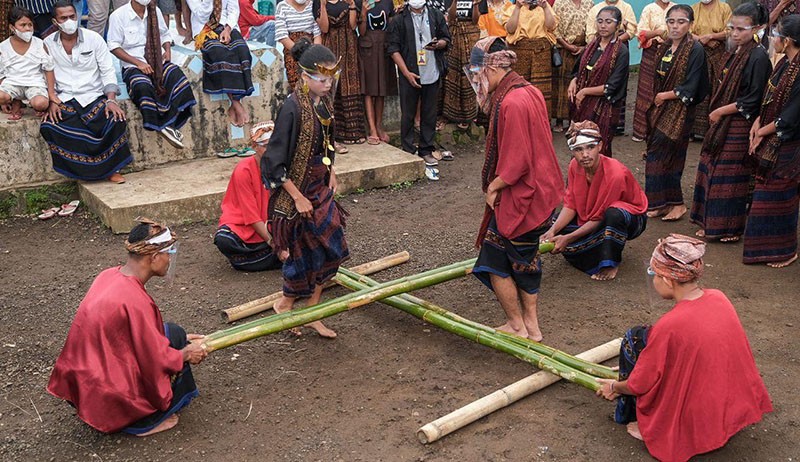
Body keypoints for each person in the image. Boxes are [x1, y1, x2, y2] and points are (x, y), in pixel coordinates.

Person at [595, 234, 772, 462]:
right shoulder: (719, 297)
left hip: (696, 411)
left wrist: (615, 386)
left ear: (667, 279)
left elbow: (641, 383)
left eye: (654, 274)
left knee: (634, 338)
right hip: (728, 400)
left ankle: (642, 421)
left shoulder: (670, 325)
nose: (653, 281)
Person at [47, 218, 209, 436]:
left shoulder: (108, 275)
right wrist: (186, 353)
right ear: (153, 257)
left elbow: (128, 334)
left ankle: (110, 407)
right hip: (108, 392)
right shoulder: (135, 299)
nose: (170, 260)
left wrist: (167, 338)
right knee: (177, 340)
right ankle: (143, 421)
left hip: (83, 381)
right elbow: (156, 359)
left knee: (174, 333)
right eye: (167, 254)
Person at [467, 37, 564, 342]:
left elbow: (517, 161)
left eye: (476, 73)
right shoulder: (529, 90)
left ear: (489, 70)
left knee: (494, 260)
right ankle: (530, 326)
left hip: (523, 196)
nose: (476, 81)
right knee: (526, 260)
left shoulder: (510, 101)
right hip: (542, 190)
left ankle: (519, 325)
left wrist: (494, 186)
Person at [262, 40, 349, 338]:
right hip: (296, 191)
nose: (327, 84)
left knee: (333, 245)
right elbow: (273, 162)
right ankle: (285, 303)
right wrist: (297, 198)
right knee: (303, 252)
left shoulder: (323, 103)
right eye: (322, 79)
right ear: (305, 76)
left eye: (330, 79)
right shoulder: (291, 108)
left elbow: (327, 142)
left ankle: (312, 310)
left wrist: (332, 170)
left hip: (320, 185)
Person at [691, 3, 771, 243]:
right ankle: (710, 222)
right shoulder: (736, 51)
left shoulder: (757, 56)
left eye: (741, 29)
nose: (735, 33)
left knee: (729, 176)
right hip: (723, 121)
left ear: (758, 28)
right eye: (731, 28)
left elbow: (752, 99)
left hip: (738, 124)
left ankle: (729, 228)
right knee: (710, 168)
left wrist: (720, 111)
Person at [541, 121, 647, 281]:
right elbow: (570, 205)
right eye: (578, 149)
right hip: (593, 215)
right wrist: (553, 231)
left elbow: (599, 217)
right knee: (553, 221)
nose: (584, 155)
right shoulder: (574, 166)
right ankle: (592, 249)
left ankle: (611, 262)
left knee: (613, 214)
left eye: (590, 147)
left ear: (600, 146)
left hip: (627, 219)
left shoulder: (615, 173)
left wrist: (569, 238)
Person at [40, 0, 131, 183]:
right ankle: (80, 173)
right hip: (64, 99)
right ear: (54, 22)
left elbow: (107, 70)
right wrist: (51, 100)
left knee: (115, 119)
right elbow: (42, 75)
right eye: (63, 18)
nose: (69, 21)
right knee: (50, 126)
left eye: (72, 16)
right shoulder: (46, 44)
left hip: (93, 96)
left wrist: (111, 99)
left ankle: (112, 170)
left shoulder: (94, 38)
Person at [644, 4, 709, 221]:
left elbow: (692, 86)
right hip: (661, 110)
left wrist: (666, 96)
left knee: (667, 155)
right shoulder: (664, 48)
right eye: (671, 21)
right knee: (660, 156)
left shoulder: (695, 49)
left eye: (681, 22)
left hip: (680, 111)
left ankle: (677, 204)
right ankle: (661, 204)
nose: (675, 26)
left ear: (690, 24)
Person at [744, 14, 800, 267]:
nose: (773, 39)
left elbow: (791, 116)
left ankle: (785, 250)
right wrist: (757, 122)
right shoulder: (783, 65)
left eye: (776, 35)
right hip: (771, 134)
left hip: (789, 141)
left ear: (787, 40)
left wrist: (762, 131)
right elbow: (768, 99)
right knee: (767, 193)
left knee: (781, 195)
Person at [108, 0, 197, 149]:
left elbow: (165, 34)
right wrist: (138, 63)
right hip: (133, 64)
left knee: (178, 79)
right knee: (142, 86)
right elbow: (114, 46)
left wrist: (167, 51)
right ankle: (165, 127)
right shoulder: (118, 15)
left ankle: (167, 125)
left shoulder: (155, 12)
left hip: (157, 61)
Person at [386, 0, 451, 168]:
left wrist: (439, 44)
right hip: (410, 72)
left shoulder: (435, 14)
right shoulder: (399, 19)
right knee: (407, 114)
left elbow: (446, 38)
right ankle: (407, 150)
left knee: (429, 113)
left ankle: (426, 150)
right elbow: (393, 48)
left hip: (432, 71)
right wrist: (406, 73)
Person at [215, 122, 283, 271]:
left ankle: (262, 258)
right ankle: (276, 255)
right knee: (224, 240)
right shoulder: (243, 170)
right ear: (254, 146)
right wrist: (274, 244)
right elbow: (251, 216)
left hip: (275, 223)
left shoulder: (283, 165)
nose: (271, 150)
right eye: (265, 146)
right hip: (245, 224)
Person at [567, 6, 629, 157]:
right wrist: (574, 81)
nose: (603, 25)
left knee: (599, 148)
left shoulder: (620, 51)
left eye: (608, 22)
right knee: (580, 145)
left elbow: (612, 86)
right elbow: (578, 70)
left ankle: (601, 179)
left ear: (618, 24)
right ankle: (579, 179)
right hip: (583, 105)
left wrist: (585, 91)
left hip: (604, 107)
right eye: (600, 21)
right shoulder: (591, 46)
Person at [188, 0, 254, 127]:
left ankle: (235, 102)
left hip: (226, 25)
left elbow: (234, 9)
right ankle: (236, 103)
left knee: (242, 50)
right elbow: (201, 15)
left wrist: (228, 29)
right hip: (204, 28)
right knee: (218, 52)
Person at [316, 0, 367, 146]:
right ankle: (334, 135)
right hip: (329, 46)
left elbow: (352, 26)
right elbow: (324, 28)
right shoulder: (318, 2)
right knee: (330, 87)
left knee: (350, 84)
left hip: (349, 47)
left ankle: (354, 132)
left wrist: (352, 5)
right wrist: (323, 6)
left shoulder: (353, 1)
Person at [498, 0, 558, 115]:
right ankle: (518, 117)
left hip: (541, 54)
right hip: (519, 54)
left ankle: (540, 120)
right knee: (518, 88)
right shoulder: (512, 9)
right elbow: (510, 29)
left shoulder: (544, 8)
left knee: (540, 90)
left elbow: (551, 26)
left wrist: (545, 7)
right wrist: (518, 7)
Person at [0, 6, 54, 120]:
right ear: (12, 27)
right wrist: (3, 101)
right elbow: (1, 73)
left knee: (41, 104)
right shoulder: (3, 47)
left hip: (35, 84)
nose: (28, 28)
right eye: (23, 25)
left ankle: (34, 105)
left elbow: (49, 69)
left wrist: (51, 94)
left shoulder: (39, 44)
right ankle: (16, 102)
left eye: (30, 25)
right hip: (13, 84)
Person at [631, 0, 674, 142]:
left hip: (671, 51)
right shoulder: (649, 9)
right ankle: (641, 131)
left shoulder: (675, 8)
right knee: (646, 90)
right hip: (652, 51)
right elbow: (641, 33)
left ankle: (663, 130)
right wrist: (658, 33)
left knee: (668, 87)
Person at [689, 0, 732, 139]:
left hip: (719, 54)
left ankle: (713, 127)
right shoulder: (694, 9)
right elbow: (688, 31)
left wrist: (712, 36)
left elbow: (730, 30)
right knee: (697, 85)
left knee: (716, 87)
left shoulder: (724, 8)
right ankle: (694, 130)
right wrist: (701, 39)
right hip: (698, 52)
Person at [357, 0, 397, 145]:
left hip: (384, 47)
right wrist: (363, 13)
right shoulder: (361, 2)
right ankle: (372, 128)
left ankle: (379, 126)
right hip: (367, 47)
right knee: (368, 89)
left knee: (382, 88)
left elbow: (392, 25)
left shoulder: (388, 2)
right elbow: (360, 32)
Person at [552, 0, 592, 132]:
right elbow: (554, 29)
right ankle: (559, 120)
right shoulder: (560, 3)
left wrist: (584, 48)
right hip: (564, 48)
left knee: (580, 82)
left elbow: (592, 27)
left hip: (584, 49)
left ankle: (574, 120)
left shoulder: (589, 3)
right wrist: (568, 46)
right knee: (561, 84)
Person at [442, 0, 480, 130]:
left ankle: (469, 115)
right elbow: (451, 16)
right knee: (452, 73)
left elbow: (475, 20)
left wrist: (475, 5)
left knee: (470, 74)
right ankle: (451, 115)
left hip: (470, 38)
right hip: (454, 36)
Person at [274, 0, 322, 91]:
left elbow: (317, 34)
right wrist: (299, 52)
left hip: (311, 50)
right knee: (298, 88)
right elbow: (282, 36)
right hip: (292, 52)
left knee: (314, 85)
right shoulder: (282, 6)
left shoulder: (313, 5)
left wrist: (314, 54)